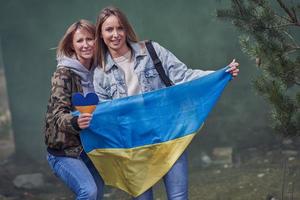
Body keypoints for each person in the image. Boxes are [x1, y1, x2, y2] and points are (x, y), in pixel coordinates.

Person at [93, 6, 240, 200]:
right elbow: (105, 116)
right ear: (101, 35)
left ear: (126, 29)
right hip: (134, 148)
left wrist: (220, 74)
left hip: (168, 137)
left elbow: (184, 76)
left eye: (120, 28)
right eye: (109, 30)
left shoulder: (152, 51)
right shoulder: (100, 73)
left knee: (178, 197)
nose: (115, 34)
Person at [44, 19, 104, 200]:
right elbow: (57, 115)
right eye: (80, 41)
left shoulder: (101, 71)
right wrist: (75, 121)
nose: (85, 45)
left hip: (89, 148)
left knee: (99, 190)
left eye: (89, 39)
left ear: (97, 40)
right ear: (72, 45)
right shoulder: (63, 74)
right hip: (63, 150)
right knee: (89, 191)